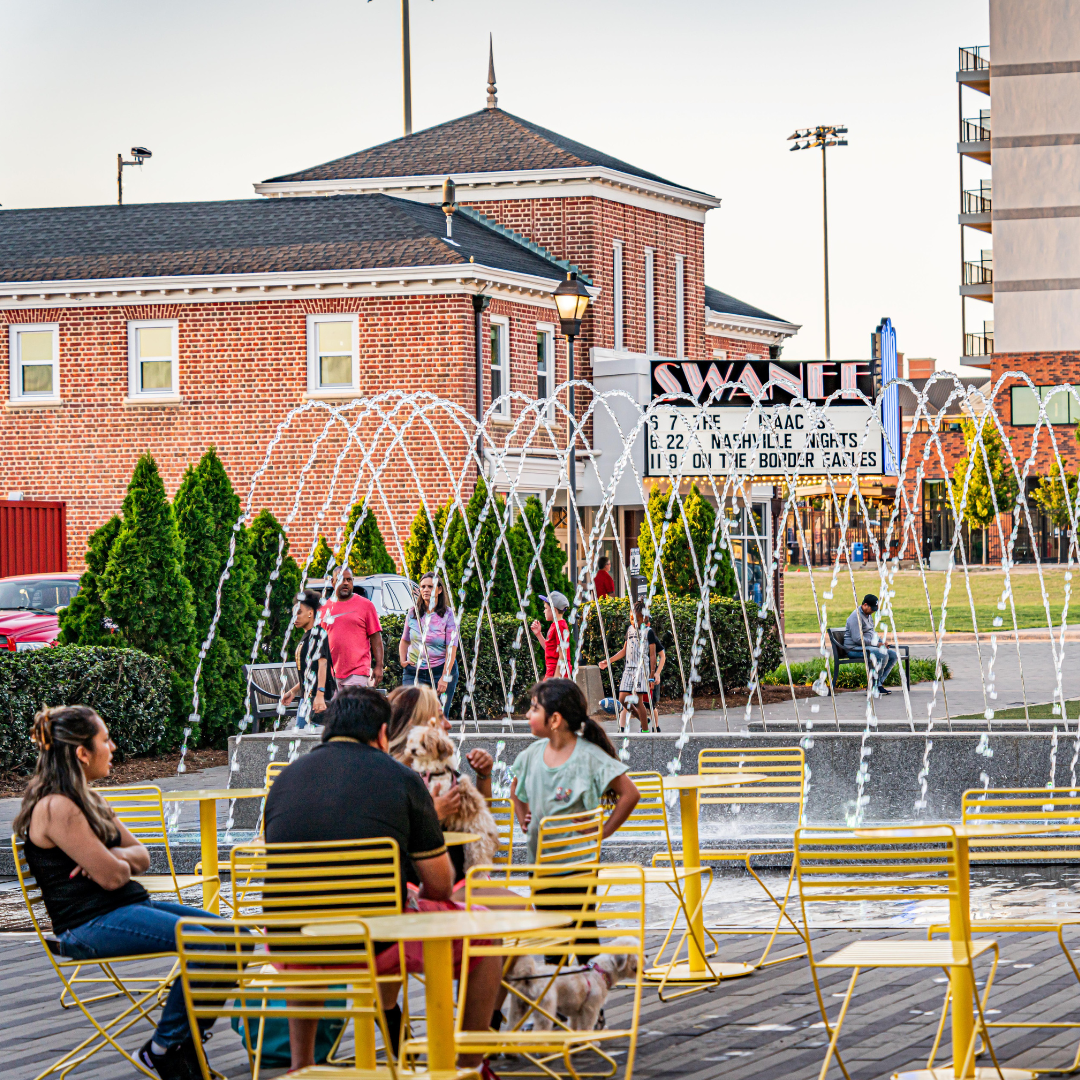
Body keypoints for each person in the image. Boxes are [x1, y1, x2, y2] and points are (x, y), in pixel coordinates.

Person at [263, 688, 503, 1077]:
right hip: (370, 941)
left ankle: (301, 1066)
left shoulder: (285, 780)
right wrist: (412, 895)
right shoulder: (402, 778)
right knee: (486, 936)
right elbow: (441, 886)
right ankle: (469, 1068)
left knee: (312, 934)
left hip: (290, 940)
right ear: (380, 733)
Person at [14, 706, 233, 1080]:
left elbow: (142, 857)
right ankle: (164, 1049)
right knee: (205, 943)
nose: (112, 747)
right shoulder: (56, 807)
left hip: (126, 908)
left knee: (235, 937)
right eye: (105, 740)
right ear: (82, 753)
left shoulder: (91, 800)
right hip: (88, 924)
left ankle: (183, 1042)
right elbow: (114, 878)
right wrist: (112, 863)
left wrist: (107, 856)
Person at [510, 679, 640, 863]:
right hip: (539, 865)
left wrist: (602, 831)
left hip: (580, 867)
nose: (527, 715)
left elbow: (630, 794)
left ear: (555, 719)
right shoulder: (530, 755)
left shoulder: (589, 756)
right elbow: (515, 787)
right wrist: (524, 819)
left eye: (534, 709)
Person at [386, 685, 494, 888]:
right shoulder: (393, 777)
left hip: (459, 879)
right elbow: (389, 843)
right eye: (440, 718)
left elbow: (478, 813)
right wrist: (432, 816)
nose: (448, 725)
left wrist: (483, 776)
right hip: (418, 886)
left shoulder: (440, 770)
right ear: (417, 726)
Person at [399, 573, 461, 717]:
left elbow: (451, 648)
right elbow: (405, 640)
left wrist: (444, 677)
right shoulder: (413, 613)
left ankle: (437, 740)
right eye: (423, 586)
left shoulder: (448, 615)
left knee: (438, 717)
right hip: (414, 670)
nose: (425, 590)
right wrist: (403, 660)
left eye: (430, 587)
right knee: (410, 714)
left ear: (439, 590)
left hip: (440, 669)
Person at [323, 566, 384, 689]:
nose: (345, 583)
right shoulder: (324, 608)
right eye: (341, 579)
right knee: (336, 708)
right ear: (332, 582)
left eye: (349, 580)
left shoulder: (366, 606)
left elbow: (376, 638)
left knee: (352, 707)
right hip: (330, 673)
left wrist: (379, 666)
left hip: (358, 672)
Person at [281, 589, 335, 725]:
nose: (295, 617)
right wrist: (293, 692)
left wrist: (320, 695)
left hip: (318, 700)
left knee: (312, 739)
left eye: (299, 613)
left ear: (311, 613)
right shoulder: (306, 637)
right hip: (306, 699)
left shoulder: (317, 634)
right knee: (302, 737)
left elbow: (323, 665)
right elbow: (310, 671)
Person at [597, 601, 651, 733]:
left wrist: (653, 673)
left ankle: (645, 731)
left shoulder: (647, 632)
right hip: (629, 668)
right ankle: (641, 718)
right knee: (622, 698)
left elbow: (653, 653)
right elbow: (624, 650)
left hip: (640, 669)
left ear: (644, 618)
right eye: (631, 618)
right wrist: (609, 661)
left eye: (637, 619)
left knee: (638, 701)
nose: (633, 621)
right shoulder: (630, 630)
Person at [844, 593, 898, 695]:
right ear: (865, 605)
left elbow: (872, 633)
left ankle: (878, 684)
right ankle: (874, 685)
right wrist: (877, 645)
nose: (873, 611)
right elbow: (857, 639)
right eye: (871, 608)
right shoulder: (855, 617)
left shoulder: (868, 615)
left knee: (893, 655)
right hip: (854, 649)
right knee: (882, 654)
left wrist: (881, 642)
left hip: (866, 647)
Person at [529, 592, 570, 680]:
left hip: (556, 672)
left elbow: (563, 654)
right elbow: (549, 649)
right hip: (552, 671)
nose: (544, 611)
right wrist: (538, 634)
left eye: (546, 608)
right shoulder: (554, 625)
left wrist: (556, 678)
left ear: (554, 610)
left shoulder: (560, 627)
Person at [643, 611, 666, 733]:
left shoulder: (652, 637)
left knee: (650, 704)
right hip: (639, 674)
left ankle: (655, 727)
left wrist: (657, 673)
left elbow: (662, 656)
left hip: (650, 675)